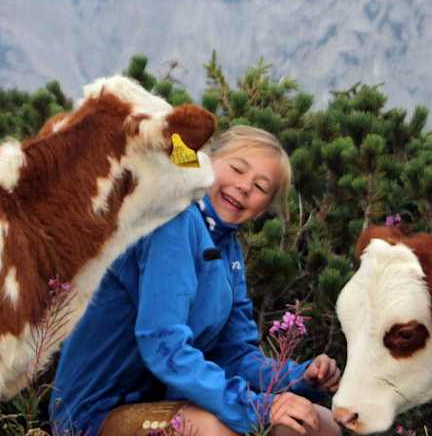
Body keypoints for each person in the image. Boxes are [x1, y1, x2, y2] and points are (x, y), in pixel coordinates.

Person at [51, 125, 342, 436]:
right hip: (94, 414)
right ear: (205, 161)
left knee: (318, 423)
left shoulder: (227, 250)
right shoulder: (172, 218)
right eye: (237, 169)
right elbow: (163, 345)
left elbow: (235, 355)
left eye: (260, 187)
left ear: (263, 209)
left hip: (166, 403)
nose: (245, 187)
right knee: (214, 430)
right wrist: (256, 406)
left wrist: (301, 378)